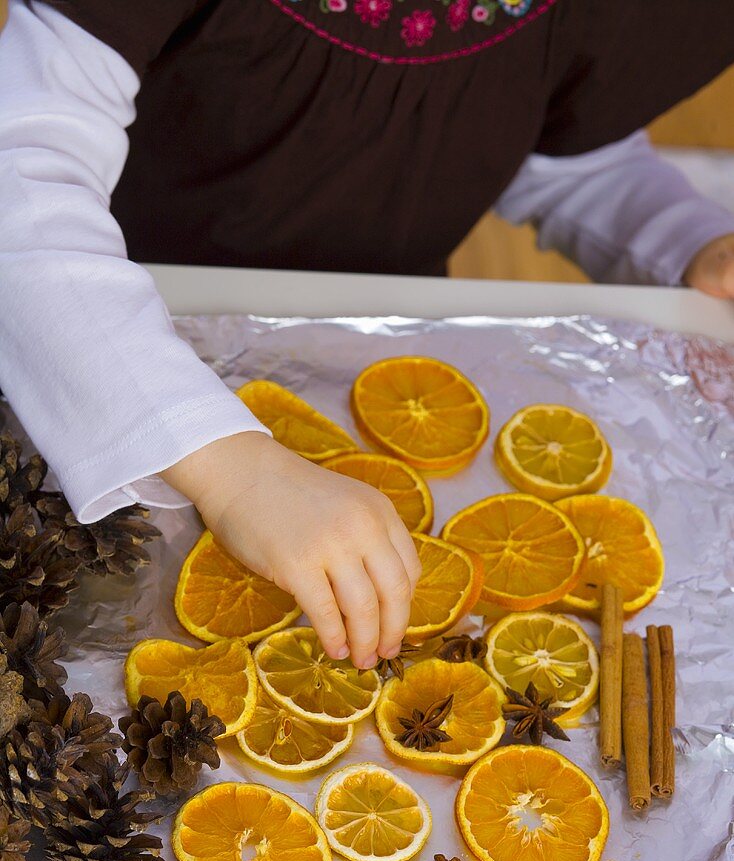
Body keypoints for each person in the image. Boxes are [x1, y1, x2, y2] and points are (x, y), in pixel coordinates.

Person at [1, 0, 733, 671]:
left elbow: (559, 150)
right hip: (104, 359)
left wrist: (685, 244)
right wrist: (238, 472)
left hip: (385, 359)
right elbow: (21, 178)